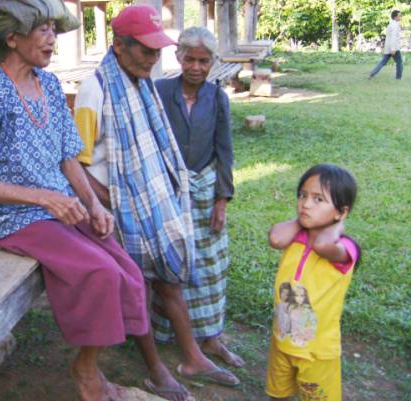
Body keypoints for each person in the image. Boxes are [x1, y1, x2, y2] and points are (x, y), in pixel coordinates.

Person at [0, 0, 149, 401]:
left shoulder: (50, 85)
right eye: (43, 30)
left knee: (125, 266)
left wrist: (93, 204)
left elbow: (67, 157)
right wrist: (42, 198)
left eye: (54, 30)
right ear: (12, 38)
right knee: (99, 272)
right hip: (11, 216)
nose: (52, 39)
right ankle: (87, 374)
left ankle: (90, 364)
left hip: (56, 206)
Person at [74, 5, 239, 399]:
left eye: (156, 51)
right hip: (114, 211)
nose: (153, 58)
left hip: (150, 203)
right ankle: (157, 370)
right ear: (118, 46)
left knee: (169, 281)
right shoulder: (94, 89)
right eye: (146, 50)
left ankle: (192, 357)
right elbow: (75, 163)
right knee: (138, 288)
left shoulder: (142, 83)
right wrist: (107, 201)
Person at [154, 26, 244, 369]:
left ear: (213, 63)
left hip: (206, 190)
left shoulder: (217, 97)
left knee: (210, 265)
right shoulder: (159, 91)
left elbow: (225, 150)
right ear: (177, 58)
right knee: (173, 262)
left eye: (203, 60)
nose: (195, 66)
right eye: (189, 58)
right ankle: (173, 334)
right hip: (167, 191)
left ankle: (210, 337)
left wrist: (222, 199)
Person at [266, 164, 361, 401]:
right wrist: (303, 220)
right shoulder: (295, 237)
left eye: (318, 199)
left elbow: (321, 246)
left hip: (317, 351)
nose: (306, 204)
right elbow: (276, 237)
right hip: (282, 341)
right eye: (302, 196)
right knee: (277, 395)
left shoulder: (346, 248)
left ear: (342, 211)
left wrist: (337, 225)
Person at [369, 10, 403, 80]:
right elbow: (393, 38)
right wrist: (393, 49)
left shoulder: (391, 24)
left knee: (383, 62)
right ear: (395, 17)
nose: (401, 17)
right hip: (394, 48)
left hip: (388, 47)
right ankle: (398, 78)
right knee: (399, 62)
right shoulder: (394, 25)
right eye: (399, 16)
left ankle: (373, 73)